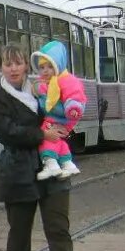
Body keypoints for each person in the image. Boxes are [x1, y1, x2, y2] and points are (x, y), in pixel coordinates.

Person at [0, 43, 88, 251]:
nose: (14, 68)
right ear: (1, 68)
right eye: (8, 64)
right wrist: (43, 135)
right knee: (19, 234)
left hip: (51, 169)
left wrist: (65, 127)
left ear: (26, 66)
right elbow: (5, 131)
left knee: (59, 231)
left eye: (18, 63)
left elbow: (63, 112)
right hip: (18, 172)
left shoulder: (45, 89)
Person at [31, 41, 87, 180]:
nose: (45, 70)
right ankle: (68, 163)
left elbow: (75, 95)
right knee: (59, 141)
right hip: (61, 120)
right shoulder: (47, 83)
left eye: (50, 66)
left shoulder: (67, 80)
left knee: (46, 139)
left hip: (62, 118)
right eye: (42, 67)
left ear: (58, 65)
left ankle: (51, 164)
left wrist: (73, 108)